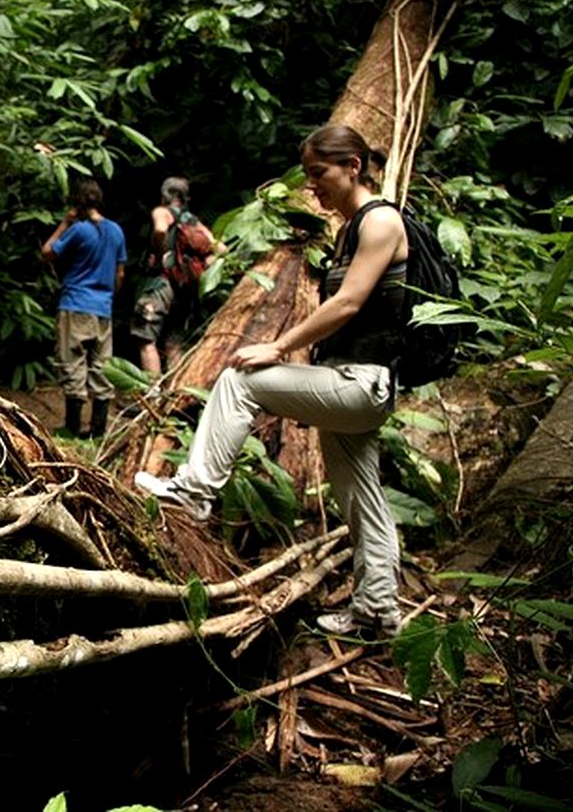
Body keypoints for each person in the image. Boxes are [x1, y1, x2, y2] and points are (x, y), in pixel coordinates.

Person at [133, 124, 407, 637]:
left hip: (361, 382)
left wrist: (279, 347)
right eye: (307, 175)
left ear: (352, 166)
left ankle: (194, 491)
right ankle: (379, 609)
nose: (313, 186)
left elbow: (347, 303)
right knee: (362, 496)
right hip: (353, 381)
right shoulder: (352, 228)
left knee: (240, 381)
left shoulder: (381, 221)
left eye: (319, 173)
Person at [40, 178, 127, 438]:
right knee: (101, 367)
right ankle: (98, 431)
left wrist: (65, 223)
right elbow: (120, 273)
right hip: (103, 308)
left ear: (78, 202)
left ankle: (73, 429)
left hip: (75, 304)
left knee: (72, 364)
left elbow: (47, 252)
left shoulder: (79, 230)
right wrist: (109, 297)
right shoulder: (116, 231)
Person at [131, 177, 221, 376]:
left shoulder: (161, 212)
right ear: (186, 198)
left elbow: (161, 229)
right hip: (184, 292)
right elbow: (219, 249)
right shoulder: (193, 221)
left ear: (163, 195)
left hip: (159, 285)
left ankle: (153, 396)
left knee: (146, 339)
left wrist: (159, 249)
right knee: (174, 343)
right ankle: (174, 397)